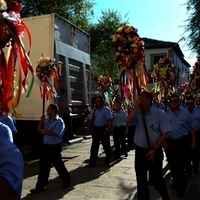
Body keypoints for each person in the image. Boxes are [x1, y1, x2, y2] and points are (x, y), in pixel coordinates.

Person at [126, 91, 171, 200]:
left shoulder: (159, 113)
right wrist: (136, 107)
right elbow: (128, 121)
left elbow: (165, 133)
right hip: (141, 151)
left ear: (150, 99)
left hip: (155, 151)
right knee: (141, 180)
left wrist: (156, 148)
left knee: (155, 179)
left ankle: (165, 196)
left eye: (144, 98)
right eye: (140, 98)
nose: (141, 100)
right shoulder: (137, 113)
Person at [30, 103, 71, 194]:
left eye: (48, 109)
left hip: (54, 147)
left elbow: (56, 133)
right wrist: (41, 121)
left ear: (53, 110)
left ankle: (66, 180)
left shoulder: (59, 121)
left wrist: (46, 132)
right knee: (44, 168)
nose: (46, 111)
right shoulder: (46, 120)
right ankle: (40, 186)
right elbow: (38, 130)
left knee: (58, 165)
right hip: (46, 147)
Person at [166, 94, 195, 198]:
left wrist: (193, 142)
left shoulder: (185, 113)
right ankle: (177, 182)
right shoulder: (166, 114)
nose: (173, 103)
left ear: (179, 102)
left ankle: (181, 188)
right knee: (173, 166)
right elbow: (163, 129)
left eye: (175, 101)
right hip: (171, 143)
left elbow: (191, 128)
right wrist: (164, 142)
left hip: (183, 142)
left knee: (181, 166)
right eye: (171, 101)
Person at [87, 96, 112, 167]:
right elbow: (91, 119)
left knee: (106, 146)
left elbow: (108, 120)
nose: (97, 102)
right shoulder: (94, 110)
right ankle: (92, 163)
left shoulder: (106, 110)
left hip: (103, 128)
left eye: (98, 101)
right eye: (96, 101)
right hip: (96, 129)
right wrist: (89, 127)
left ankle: (107, 161)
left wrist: (107, 128)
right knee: (94, 146)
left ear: (101, 102)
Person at [186, 96, 200, 174]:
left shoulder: (198, 112)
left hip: (197, 134)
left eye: (191, 103)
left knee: (196, 153)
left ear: (194, 103)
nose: (190, 105)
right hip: (187, 135)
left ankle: (195, 168)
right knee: (187, 153)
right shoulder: (184, 112)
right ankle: (188, 169)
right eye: (188, 104)